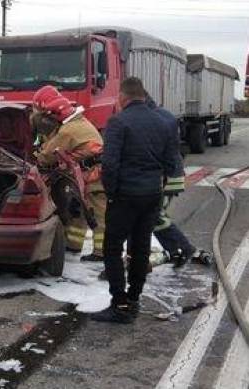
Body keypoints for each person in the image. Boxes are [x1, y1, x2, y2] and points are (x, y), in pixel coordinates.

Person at [92, 77, 178, 324]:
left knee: (112, 247)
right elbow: (172, 162)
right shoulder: (163, 122)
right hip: (151, 194)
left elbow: (109, 164)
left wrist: (112, 191)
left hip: (125, 195)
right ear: (143, 95)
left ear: (123, 97)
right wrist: (157, 184)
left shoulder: (118, 122)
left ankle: (119, 304)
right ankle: (134, 297)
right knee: (140, 247)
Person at [30, 85, 106, 262]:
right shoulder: (75, 123)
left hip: (96, 178)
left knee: (99, 215)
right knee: (78, 211)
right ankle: (73, 245)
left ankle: (102, 253)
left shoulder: (68, 131)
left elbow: (46, 156)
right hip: (89, 176)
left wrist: (32, 156)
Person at [145, 94, 212, 267]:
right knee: (155, 217)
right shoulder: (164, 115)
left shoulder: (153, 119)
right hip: (172, 173)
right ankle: (176, 250)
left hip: (167, 177)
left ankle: (183, 248)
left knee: (156, 217)